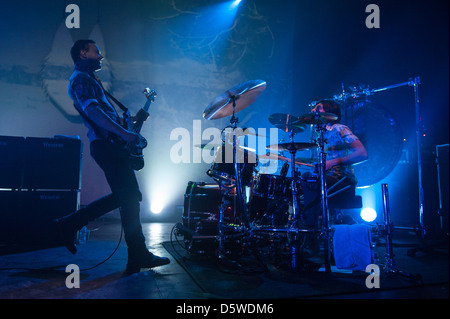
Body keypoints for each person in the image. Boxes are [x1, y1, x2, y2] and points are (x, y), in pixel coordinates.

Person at [55, 39, 170, 274]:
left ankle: (71, 224)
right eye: (96, 51)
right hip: (107, 146)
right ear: (82, 53)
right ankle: (137, 255)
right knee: (129, 196)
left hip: (109, 145)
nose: (100, 56)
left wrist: (129, 124)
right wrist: (124, 133)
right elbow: (93, 112)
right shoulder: (81, 79)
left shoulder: (89, 80)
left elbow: (104, 115)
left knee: (127, 197)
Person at [300, 99, 368, 228]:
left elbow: (362, 153)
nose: (313, 110)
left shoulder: (339, 128)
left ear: (329, 112)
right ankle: (308, 226)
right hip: (326, 180)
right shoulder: (320, 134)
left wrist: (333, 162)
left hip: (342, 181)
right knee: (304, 179)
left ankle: (310, 229)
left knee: (310, 180)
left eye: (318, 108)